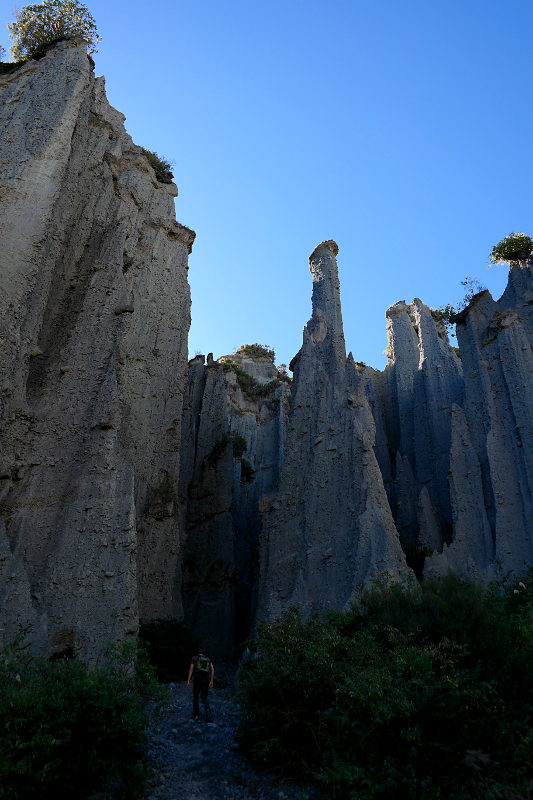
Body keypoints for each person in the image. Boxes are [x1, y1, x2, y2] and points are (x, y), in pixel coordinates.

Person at [187, 646, 214, 721]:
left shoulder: (194, 658)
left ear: (198, 652)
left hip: (197, 679)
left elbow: (191, 669)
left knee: (196, 697)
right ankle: (208, 713)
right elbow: (212, 669)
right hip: (205, 679)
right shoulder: (208, 659)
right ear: (203, 652)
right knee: (204, 697)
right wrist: (211, 680)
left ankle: (196, 715)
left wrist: (188, 680)